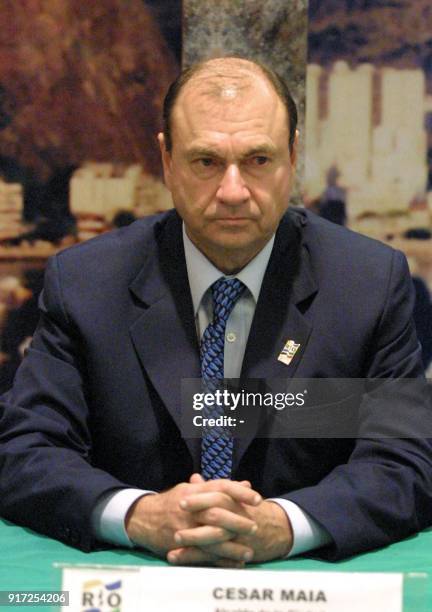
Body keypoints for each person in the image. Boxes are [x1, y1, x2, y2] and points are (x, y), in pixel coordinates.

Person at [0, 57, 431, 567]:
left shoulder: (367, 284)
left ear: (292, 156)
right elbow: (25, 450)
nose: (232, 192)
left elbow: (405, 461)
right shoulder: (87, 285)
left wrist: (282, 525)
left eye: (258, 160)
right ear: (167, 159)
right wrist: (139, 515)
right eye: (206, 162)